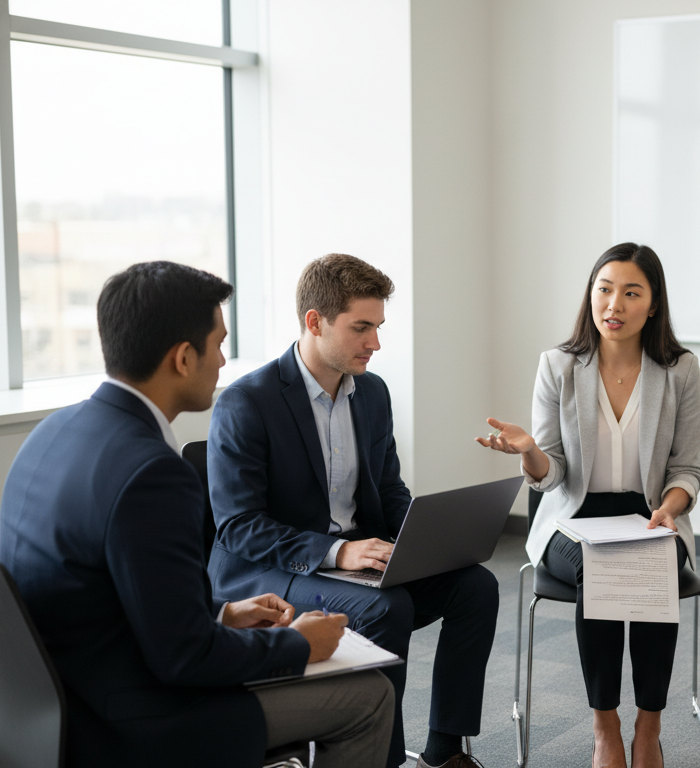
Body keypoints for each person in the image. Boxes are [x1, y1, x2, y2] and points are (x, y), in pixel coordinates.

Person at [0, 261, 396, 767]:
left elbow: (108, 594)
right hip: (129, 717)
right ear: (184, 358)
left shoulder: (53, 432)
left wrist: (222, 613)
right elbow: (186, 658)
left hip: (54, 702)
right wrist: (298, 646)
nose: (224, 361)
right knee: (368, 696)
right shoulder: (152, 475)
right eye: (218, 345)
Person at [207, 253, 496, 768]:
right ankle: (379, 759)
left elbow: (387, 489)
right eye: (361, 327)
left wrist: (423, 539)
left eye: (379, 327)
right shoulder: (247, 403)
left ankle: (444, 750)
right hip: (273, 573)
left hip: (360, 559)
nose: (376, 343)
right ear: (314, 322)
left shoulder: (372, 394)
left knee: (476, 586)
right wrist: (338, 552)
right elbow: (238, 528)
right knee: (388, 609)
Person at [478, 242, 700, 768]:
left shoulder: (680, 370)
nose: (614, 305)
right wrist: (531, 451)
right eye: (604, 290)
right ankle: (606, 726)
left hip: (650, 514)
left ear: (653, 303)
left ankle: (650, 726)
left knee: (653, 566)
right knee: (600, 572)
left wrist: (670, 510)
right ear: (591, 295)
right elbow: (550, 476)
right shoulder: (558, 366)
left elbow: (686, 468)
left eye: (631, 293)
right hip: (573, 516)